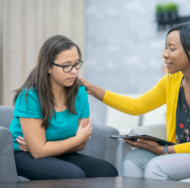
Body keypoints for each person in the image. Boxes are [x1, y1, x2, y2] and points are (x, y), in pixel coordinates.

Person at [78, 22, 190, 181]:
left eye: (171, 48)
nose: (165, 54)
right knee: (132, 160)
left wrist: (163, 150)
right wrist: (93, 90)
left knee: (157, 167)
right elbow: (136, 106)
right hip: (178, 152)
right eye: (166, 47)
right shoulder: (172, 80)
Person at [9, 35, 117, 180]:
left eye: (76, 63)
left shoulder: (80, 92)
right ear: (48, 67)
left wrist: (46, 148)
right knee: (73, 175)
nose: (74, 71)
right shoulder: (30, 96)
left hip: (55, 152)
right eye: (66, 66)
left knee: (107, 171)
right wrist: (43, 149)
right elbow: (39, 152)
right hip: (22, 154)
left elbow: (81, 144)